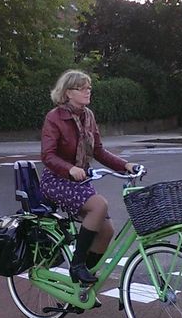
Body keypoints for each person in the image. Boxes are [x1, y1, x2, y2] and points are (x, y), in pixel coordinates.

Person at [40, 70, 137, 284]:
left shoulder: (88, 116)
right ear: (67, 93)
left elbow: (99, 151)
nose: (87, 91)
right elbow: (47, 155)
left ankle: (84, 283)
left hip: (80, 181)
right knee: (99, 205)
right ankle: (77, 266)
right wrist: (69, 169)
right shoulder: (55, 117)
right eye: (82, 88)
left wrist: (126, 165)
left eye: (89, 88)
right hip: (56, 180)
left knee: (106, 231)